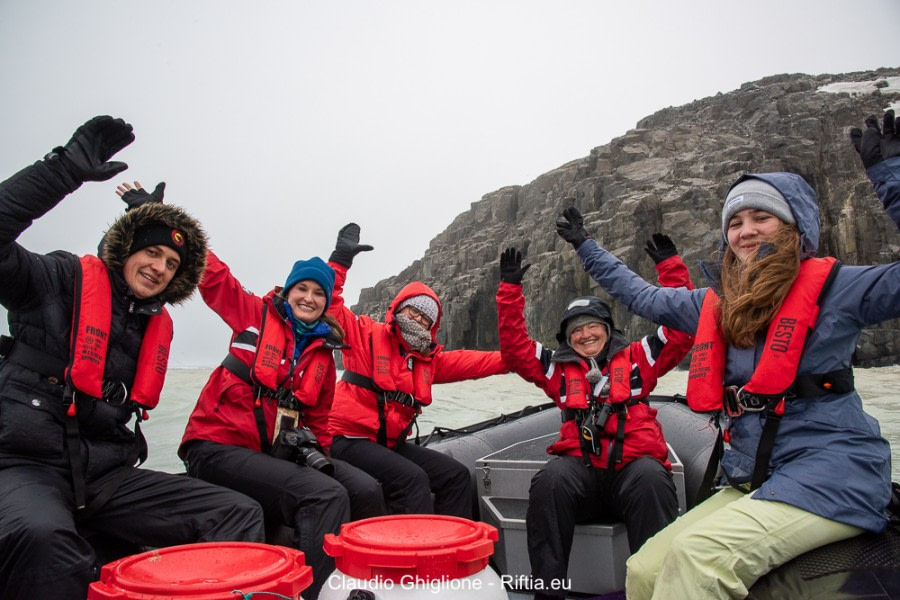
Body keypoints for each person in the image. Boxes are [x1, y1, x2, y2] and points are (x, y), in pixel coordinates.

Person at [554, 109, 900, 599]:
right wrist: (586, 247)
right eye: (735, 222)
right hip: (758, 475)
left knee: (699, 558)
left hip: (834, 474)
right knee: (645, 568)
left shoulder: (839, 289)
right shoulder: (714, 305)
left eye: (763, 217)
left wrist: (893, 179)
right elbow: (642, 296)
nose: (746, 231)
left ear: (795, 227)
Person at [0, 116, 265, 600]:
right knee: (44, 541)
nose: (160, 267)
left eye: (171, 264)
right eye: (153, 253)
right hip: (23, 465)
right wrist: (62, 171)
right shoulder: (56, 280)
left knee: (237, 512)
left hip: (107, 475)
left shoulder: (152, 325)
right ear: (125, 249)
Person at [179, 242, 386, 600]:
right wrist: (174, 229)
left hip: (268, 456)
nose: (309, 298)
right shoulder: (252, 314)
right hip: (215, 447)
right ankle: (319, 593)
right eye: (301, 289)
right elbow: (214, 278)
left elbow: (319, 420)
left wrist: (317, 461)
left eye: (318, 293)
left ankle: (360, 580)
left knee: (365, 489)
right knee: (324, 496)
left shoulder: (322, 351)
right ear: (287, 291)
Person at [496, 237, 694, 600]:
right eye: (576, 330)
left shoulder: (639, 358)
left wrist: (671, 270)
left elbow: (682, 329)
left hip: (633, 474)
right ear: (567, 338)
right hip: (581, 478)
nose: (585, 334)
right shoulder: (554, 369)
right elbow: (515, 347)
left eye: (592, 326)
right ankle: (548, 593)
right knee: (550, 480)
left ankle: (657, 592)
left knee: (652, 477)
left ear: (607, 328)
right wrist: (509, 290)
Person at [325, 223, 511, 518]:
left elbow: (475, 362)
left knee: (456, 476)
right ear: (399, 308)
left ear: (432, 326)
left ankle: (452, 548)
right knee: (412, 480)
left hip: (387, 444)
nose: (418, 320)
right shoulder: (365, 335)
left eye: (426, 318)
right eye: (414, 311)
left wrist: (525, 357)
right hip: (347, 439)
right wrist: (339, 262)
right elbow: (330, 306)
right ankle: (414, 555)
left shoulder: (428, 360)